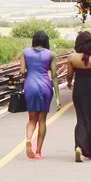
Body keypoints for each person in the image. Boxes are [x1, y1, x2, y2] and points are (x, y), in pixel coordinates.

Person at [61, 30, 91, 161]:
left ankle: (79, 147)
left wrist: (69, 83)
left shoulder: (72, 58)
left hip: (80, 89)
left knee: (82, 118)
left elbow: (69, 76)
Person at [14, 30, 57, 159]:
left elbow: (22, 72)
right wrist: (59, 98)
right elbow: (54, 76)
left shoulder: (25, 52)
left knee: (32, 118)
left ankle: (28, 140)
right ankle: (38, 152)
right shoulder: (51, 54)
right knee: (42, 120)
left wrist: (27, 73)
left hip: (30, 85)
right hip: (45, 86)